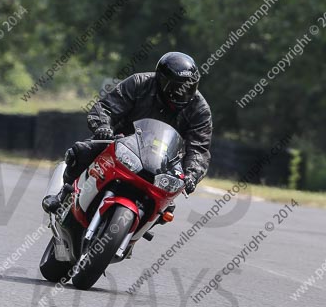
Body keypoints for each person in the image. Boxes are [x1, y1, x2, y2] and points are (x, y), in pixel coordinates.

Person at [42, 51, 212, 213]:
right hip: (121, 143)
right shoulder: (139, 83)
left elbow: (199, 149)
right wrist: (103, 127)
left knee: (167, 208)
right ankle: (63, 194)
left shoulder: (200, 109)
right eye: (176, 87)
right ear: (161, 80)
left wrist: (192, 174)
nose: (183, 93)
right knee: (81, 151)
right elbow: (106, 107)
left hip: (162, 161)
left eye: (190, 87)